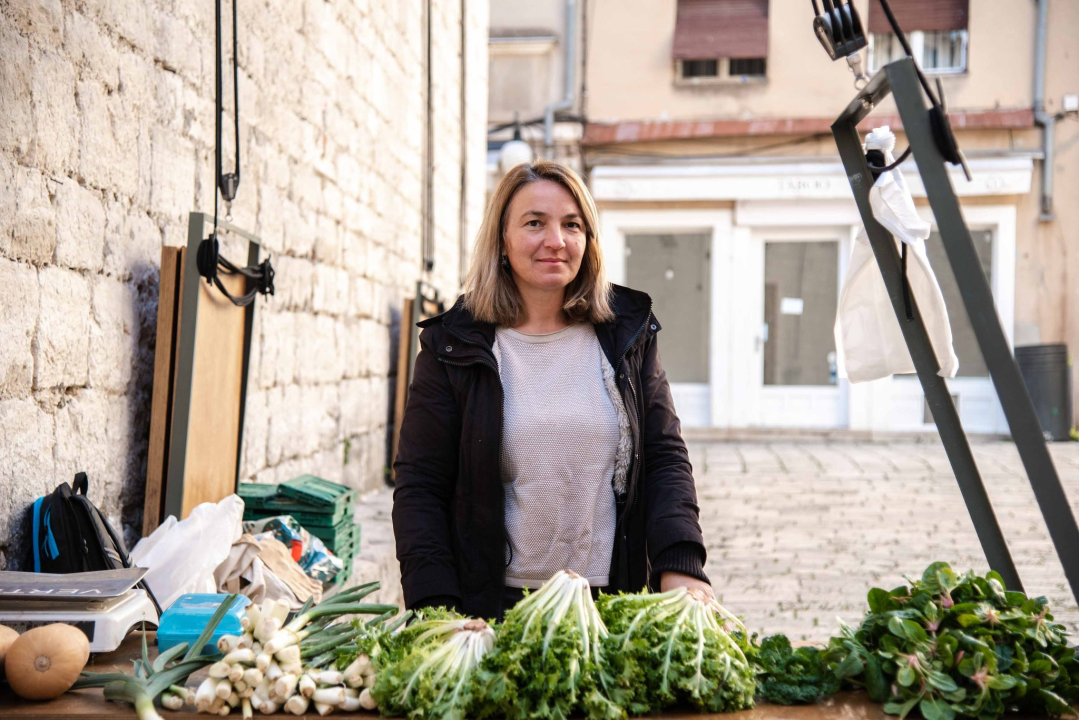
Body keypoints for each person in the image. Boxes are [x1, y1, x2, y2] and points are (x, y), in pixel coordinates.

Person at [392, 160, 710, 619]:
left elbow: (663, 456)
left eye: (572, 224)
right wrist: (434, 605)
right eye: (534, 223)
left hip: (612, 601)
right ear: (501, 239)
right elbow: (420, 486)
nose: (555, 241)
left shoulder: (627, 333)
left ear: (588, 239)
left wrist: (681, 563)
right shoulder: (453, 345)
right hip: (493, 608)